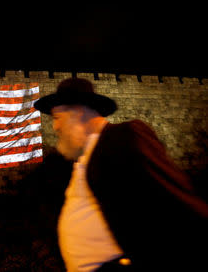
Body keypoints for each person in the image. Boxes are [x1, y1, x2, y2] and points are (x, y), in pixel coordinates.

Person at [33, 77, 208, 272]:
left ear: (78, 111)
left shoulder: (124, 136)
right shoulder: (86, 158)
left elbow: (178, 202)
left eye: (57, 118)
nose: (55, 127)